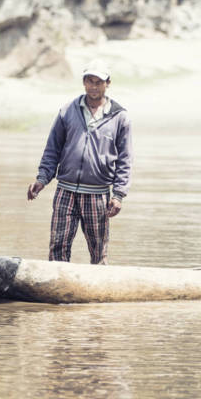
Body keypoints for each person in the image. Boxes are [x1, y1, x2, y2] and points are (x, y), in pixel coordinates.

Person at [27, 60, 132, 264]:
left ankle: (98, 289)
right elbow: (52, 149)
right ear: (84, 83)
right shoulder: (68, 110)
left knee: (98, 251)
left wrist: (118, 195)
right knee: (58, 247)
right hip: (65, 191)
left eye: (98, 82)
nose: (93, 86)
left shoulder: (120, 117)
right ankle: (57, 288)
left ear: (107, 83)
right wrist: (42, 179)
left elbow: (125, 160)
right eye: (89, 81)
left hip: (97, 194)